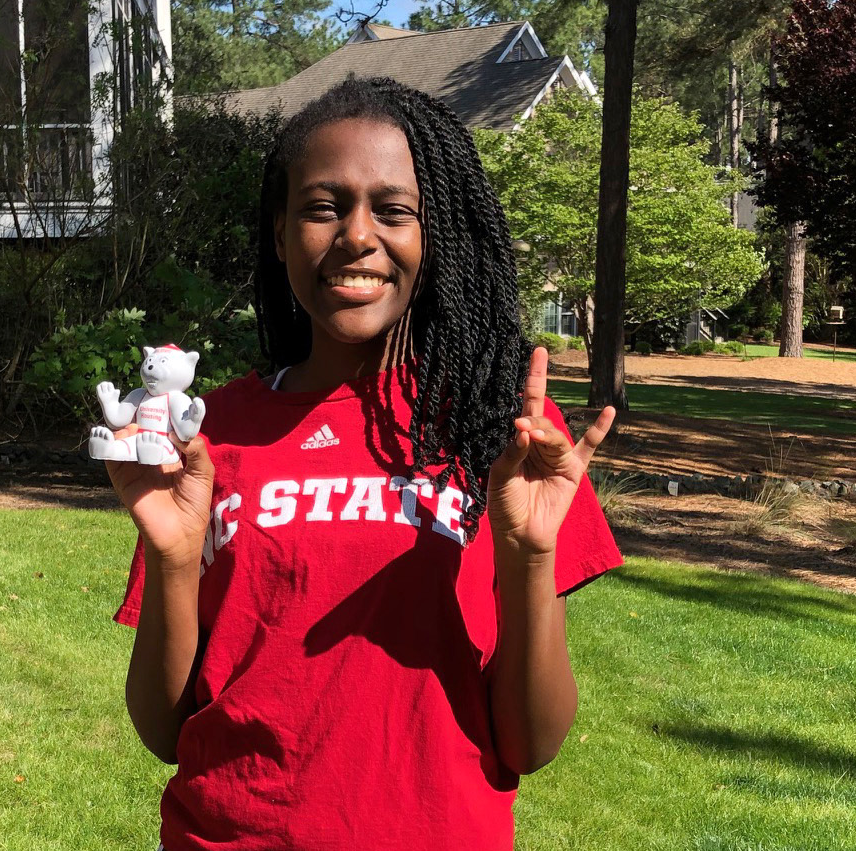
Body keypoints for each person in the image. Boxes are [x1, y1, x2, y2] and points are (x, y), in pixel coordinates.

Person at [104, 77, 622, 851]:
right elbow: (164, 730)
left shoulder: (505, 434)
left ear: (434, 233)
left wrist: (528, 557)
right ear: (280, 234)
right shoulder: (212, 435)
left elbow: (530, 745)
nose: (356, 234)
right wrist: (175, 558)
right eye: (323, 206)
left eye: (393, 208)